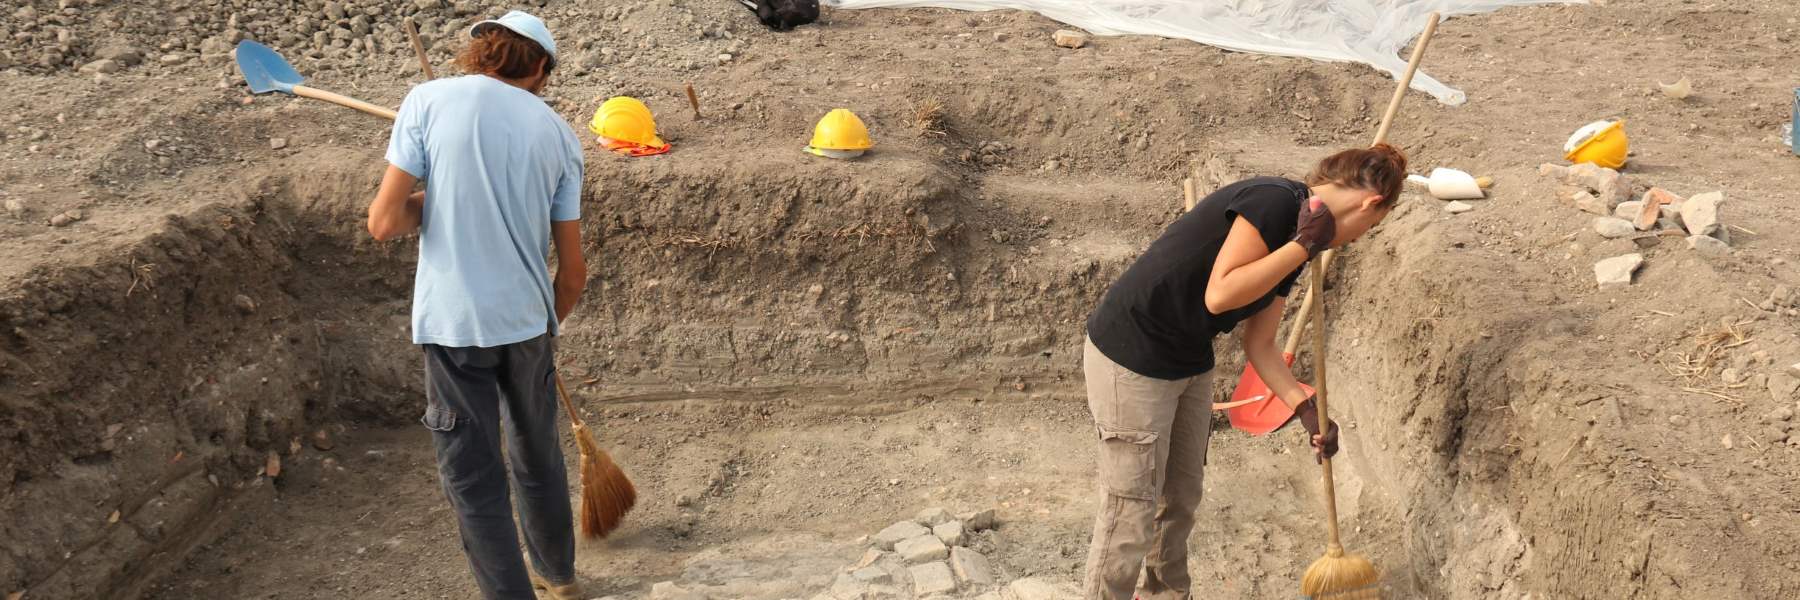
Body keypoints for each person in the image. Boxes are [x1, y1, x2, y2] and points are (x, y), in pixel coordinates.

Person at [1079, 145, 1407, 599]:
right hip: (1133, 353)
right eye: (1366, 230)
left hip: (1189, 357)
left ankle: (1166, 595)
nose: (1351, 240)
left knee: (1180, 498)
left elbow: (1261, 343)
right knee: (1131, 507)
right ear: (1371, 204)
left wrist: (1305, 407)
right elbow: (1221, 295)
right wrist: (1302, 247)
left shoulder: (1303, 237)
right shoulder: (1274, 204)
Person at [365, 10, 587, 600]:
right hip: (528, 323)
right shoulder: (561, 137)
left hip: (456, 325)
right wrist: (546, 325)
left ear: (484, 50)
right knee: (537, 455)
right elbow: (573, 272)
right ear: (540, 67)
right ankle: (558, 578)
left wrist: (436, 196)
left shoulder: (429, 100)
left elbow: (384, 222)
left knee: (474, 478)